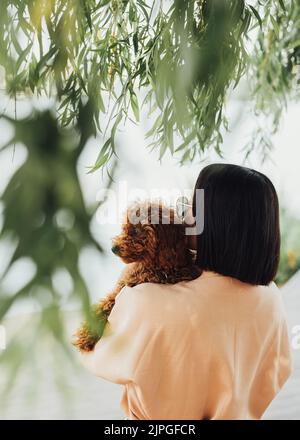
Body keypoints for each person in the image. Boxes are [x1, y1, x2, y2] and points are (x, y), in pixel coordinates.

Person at [80, 163, 292, 420]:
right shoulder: (271, 300)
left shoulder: (147, 300)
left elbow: (96, 354)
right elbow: (278, 372)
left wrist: (137, 269)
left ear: (214, 223)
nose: (185, 216)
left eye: (192, 207)